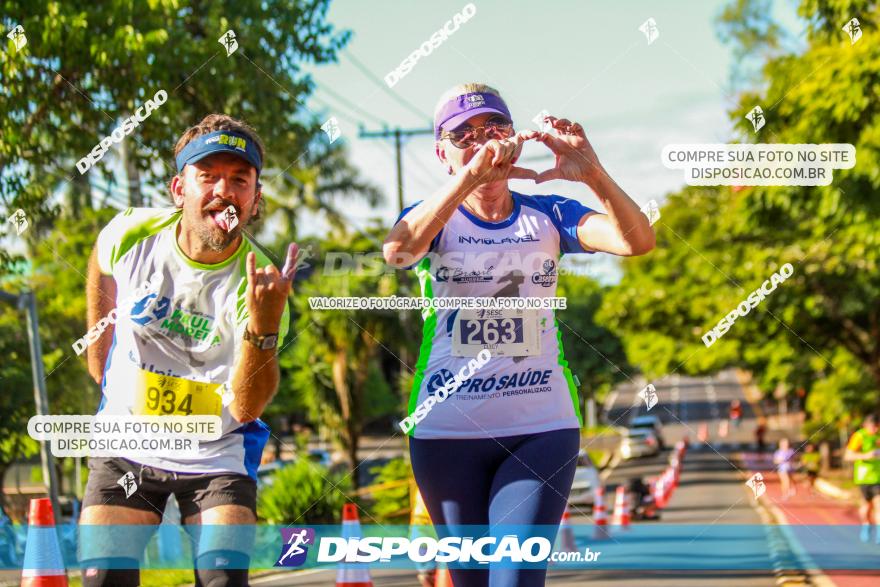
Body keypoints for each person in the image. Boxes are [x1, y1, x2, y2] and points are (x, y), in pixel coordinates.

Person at [384, 82, 655, 586]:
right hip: (447, 433)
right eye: (462, 136)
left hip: (540, 430)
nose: (481, 142)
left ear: (515, 140)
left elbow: (635, 240)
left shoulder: (549, 213)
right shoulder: (434, 219)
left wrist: (593, 175)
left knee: (514, 581)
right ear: (442, 153)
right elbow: (398, 251)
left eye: (494, 129)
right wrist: (469, 179)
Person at [79, 114, 297, 586]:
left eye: (240, 180)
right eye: (208, 176)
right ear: (180, 189)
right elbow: (100, 257)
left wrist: (264, 326)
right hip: (127, 442)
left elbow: (247, 405)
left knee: (222, 580)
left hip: (216, 452)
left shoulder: (260, 283)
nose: (225, 191)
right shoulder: (133, 234)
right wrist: (99, 357)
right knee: (102, 579)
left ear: (255, 200)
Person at [844, 413, 880, 543]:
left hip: (878, 478)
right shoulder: (859, 436)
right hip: (864, 478)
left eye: (877, 426)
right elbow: (848, 456)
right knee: (866, 507)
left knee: (878, 504)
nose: (875, 429)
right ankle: (866, 524)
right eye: (873, 426)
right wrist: (866, 456)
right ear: (866, 425)